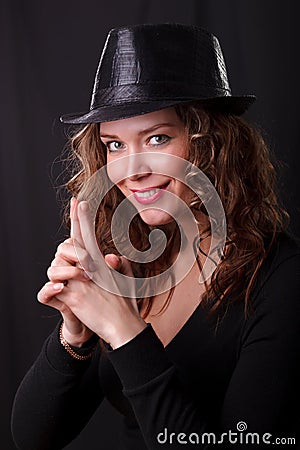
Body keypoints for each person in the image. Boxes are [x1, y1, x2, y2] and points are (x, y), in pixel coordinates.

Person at [11, 24, 300, 450]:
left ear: (211, 142)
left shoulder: (282, 280)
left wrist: (125, 330)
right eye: (114, 145)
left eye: (157, 138)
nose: (132, 170)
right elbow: (32, 437)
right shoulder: (133, 263)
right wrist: (75, 335)